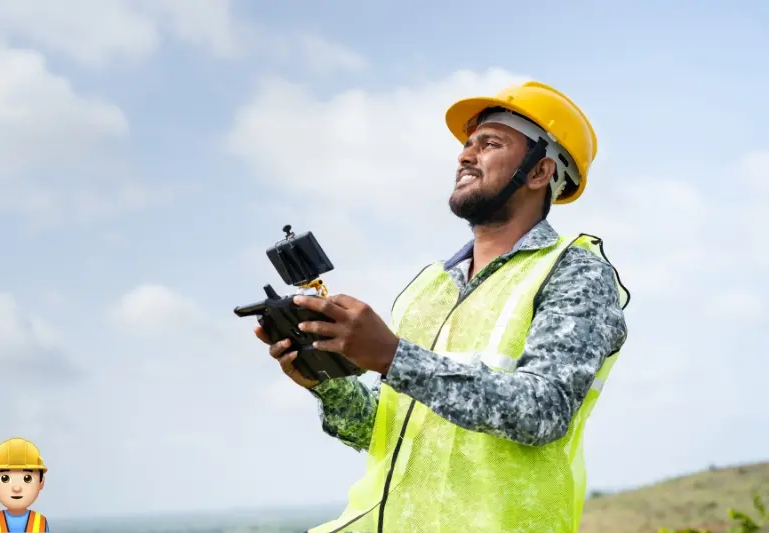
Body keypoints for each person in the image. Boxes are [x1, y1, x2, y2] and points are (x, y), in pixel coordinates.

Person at [255, 80, 630, 533]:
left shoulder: (575, 271)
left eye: (489, 143)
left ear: (538, 172)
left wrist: (393, 356)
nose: (465, 156)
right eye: (467, 145)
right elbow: (383, 430)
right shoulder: (429, 286)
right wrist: (325, 378)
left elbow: (542, 412)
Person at [0, 438, 49, 532]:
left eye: (27, 478)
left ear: (41, 482)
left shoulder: (41, 522)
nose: (16, 488)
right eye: (5, 478)